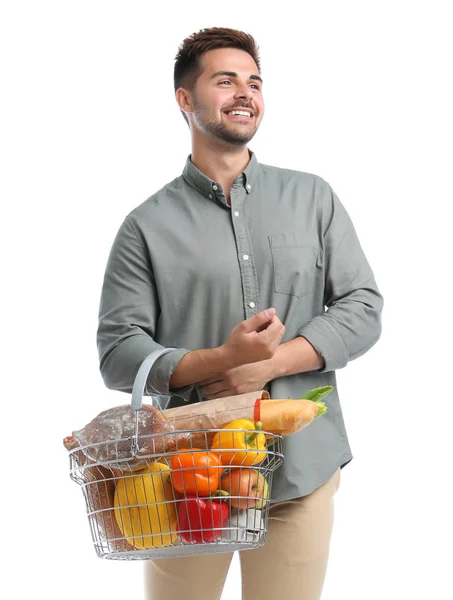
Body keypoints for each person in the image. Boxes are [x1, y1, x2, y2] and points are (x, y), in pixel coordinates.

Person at [97, 26, 383, 600]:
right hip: (186, 474)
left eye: (253, 82)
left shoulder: (314, 197)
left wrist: (269, 364)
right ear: (185, 99)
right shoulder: (145, 227)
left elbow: (363, 306)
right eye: (225, 80)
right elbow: (118, 354)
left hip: (301, 467)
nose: (244, 93)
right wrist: (220, 361)